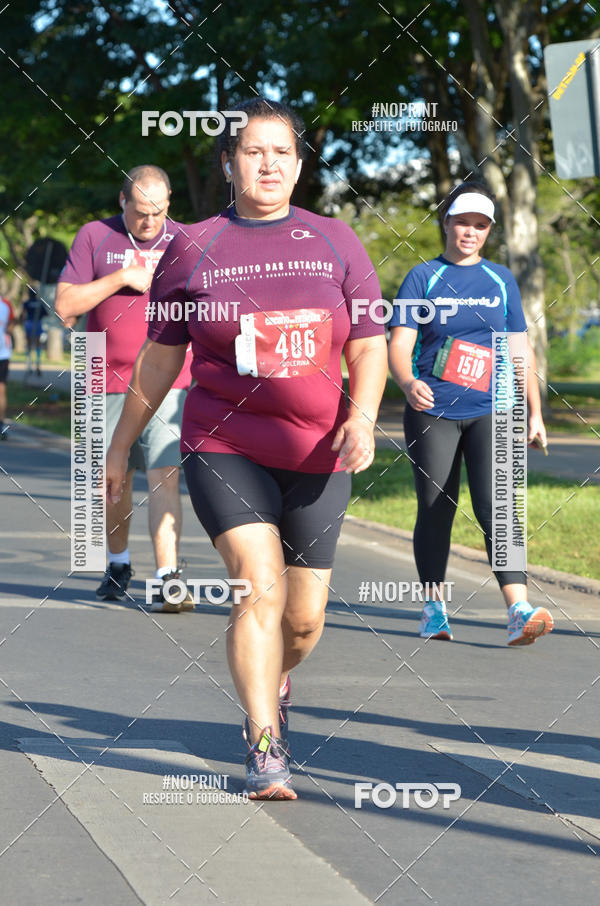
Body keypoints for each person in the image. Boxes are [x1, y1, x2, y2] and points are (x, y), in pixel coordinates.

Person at [105, 98, 388, 799]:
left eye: (281, 152)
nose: (268, 164)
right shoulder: (192, 247)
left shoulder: (335, 240)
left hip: (320, 454)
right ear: (230, 163)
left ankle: (277, 676)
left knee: (304, 617)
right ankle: (264, 744)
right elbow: (159, 359)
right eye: (253, 151)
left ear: (298, 163)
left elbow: (368, 343)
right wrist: (119, 451)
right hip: (224, 443)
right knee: (257, 587)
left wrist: (364, 416)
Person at [388, 181, 554, 647]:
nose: (470, 232)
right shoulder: (423, 278)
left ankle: (518, 609)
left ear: (488, 232)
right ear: (446, 223)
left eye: (480, 225)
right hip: (434, 410)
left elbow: (521, 350)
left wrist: (534, 412)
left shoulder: (500, 279)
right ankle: (434, 608)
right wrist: (407, 382)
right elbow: (399, 344)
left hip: (494, 408)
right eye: (463, 222)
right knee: (437, 508)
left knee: (500, 508)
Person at [55, 166, 194, 611]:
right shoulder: (94, 236)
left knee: (163, 475)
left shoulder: (186, 241)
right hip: (102, 376)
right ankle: (118, 562)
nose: (148, 223)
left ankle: (168, 577)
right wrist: (119, 278)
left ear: (169, 202)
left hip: (170, 381)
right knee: (113, 482)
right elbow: (65, 306)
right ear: (122, 201)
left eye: (156, 212)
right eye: (139, 213)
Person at [0, 294, 15, 439]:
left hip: (2, 353)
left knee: (1, 389)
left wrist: (10, 328)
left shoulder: (6, 304)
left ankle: (1, 424)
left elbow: (12, 322)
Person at [22, 288, 45, 376]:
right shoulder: (40, 303)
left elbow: (23, 314)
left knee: (29, 345)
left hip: (29, 324)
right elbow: (45, 314)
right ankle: (38, 365)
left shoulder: (26, 303)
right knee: (38, 345)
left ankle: (29, 366)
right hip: (37, 323)